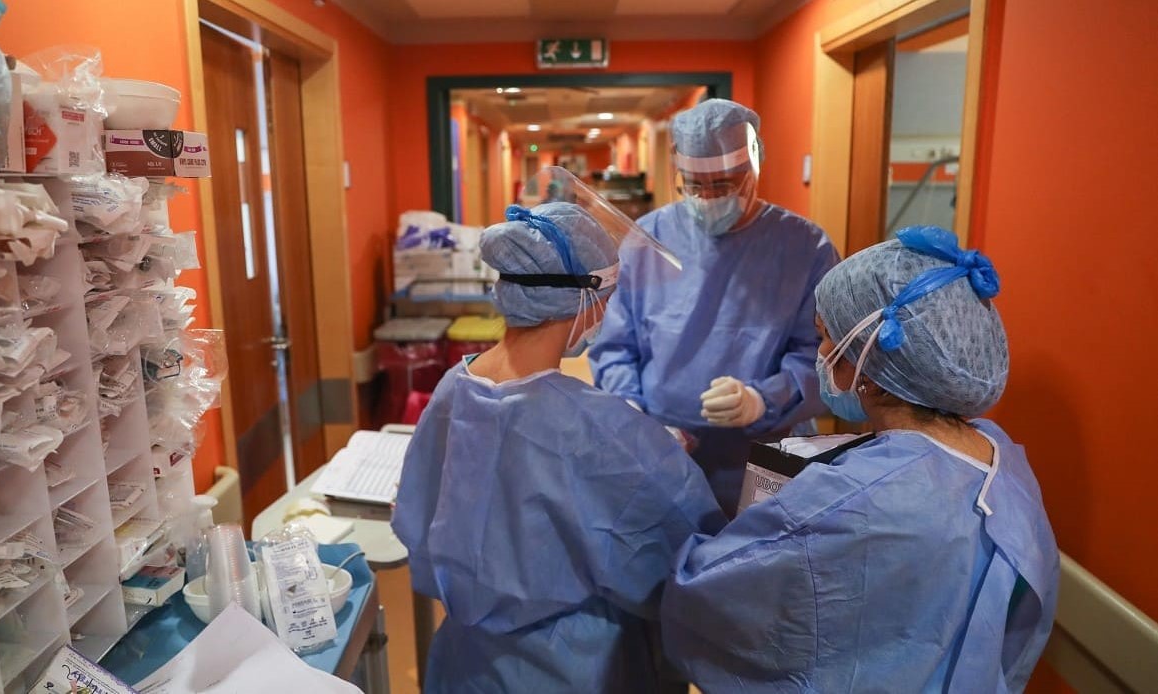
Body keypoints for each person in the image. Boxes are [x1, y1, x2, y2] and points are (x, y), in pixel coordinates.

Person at [660, 226, 1060, 692]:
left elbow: (705, 597)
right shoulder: (1000, 458)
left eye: (826, 338)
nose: (821, 355)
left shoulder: (843, 503)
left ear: (870, 361)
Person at [392, 201, 725, 693]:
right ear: (585, 301)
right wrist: (658, 452)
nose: (607, 313)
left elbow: (420, 523)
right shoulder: (595, 428)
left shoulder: (451, 389)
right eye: (607, 299)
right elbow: (681, 560)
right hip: (574, 667)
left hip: (466, 664)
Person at [589, 98, 839, 517]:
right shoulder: (648, 238)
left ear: (753, 169)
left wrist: (761, 400)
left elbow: (821, 357)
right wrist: (632, 415)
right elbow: (616, 345)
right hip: (661, 443)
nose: (706, 199)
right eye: (693, 185)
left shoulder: (804, 248)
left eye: (722, 186)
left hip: (760, 451)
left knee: (753, 563)